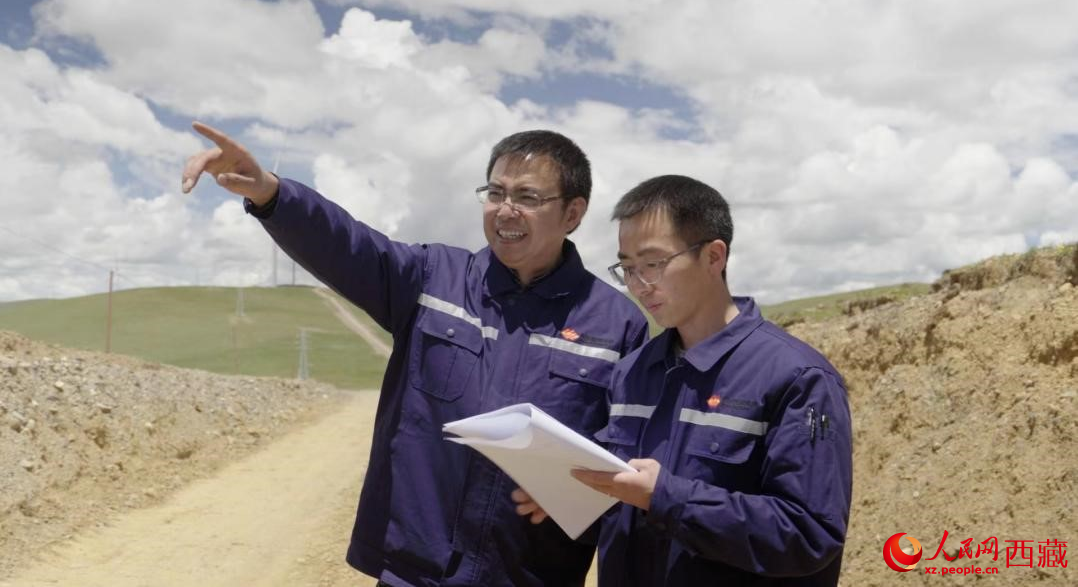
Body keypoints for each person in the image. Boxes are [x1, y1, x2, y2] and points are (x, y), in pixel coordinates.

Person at [181, 122, 649, 586]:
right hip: (415, 570)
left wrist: (575, 492)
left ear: (572, 213)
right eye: (495, 193)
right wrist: (271, 194)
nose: (505, 211)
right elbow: (348, 245)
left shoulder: (617, 325)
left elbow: (627, 452)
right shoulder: (432, 277)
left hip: (527, 572)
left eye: (527, 197)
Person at [515, 175, 853, 585]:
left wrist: (666, 497)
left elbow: (809, 535)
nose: (639, 286)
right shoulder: (632, 373)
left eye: (653, 264)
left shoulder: (799, 378)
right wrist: (573, 493)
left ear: (713, 257)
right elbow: (625, 509)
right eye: (627, 268)